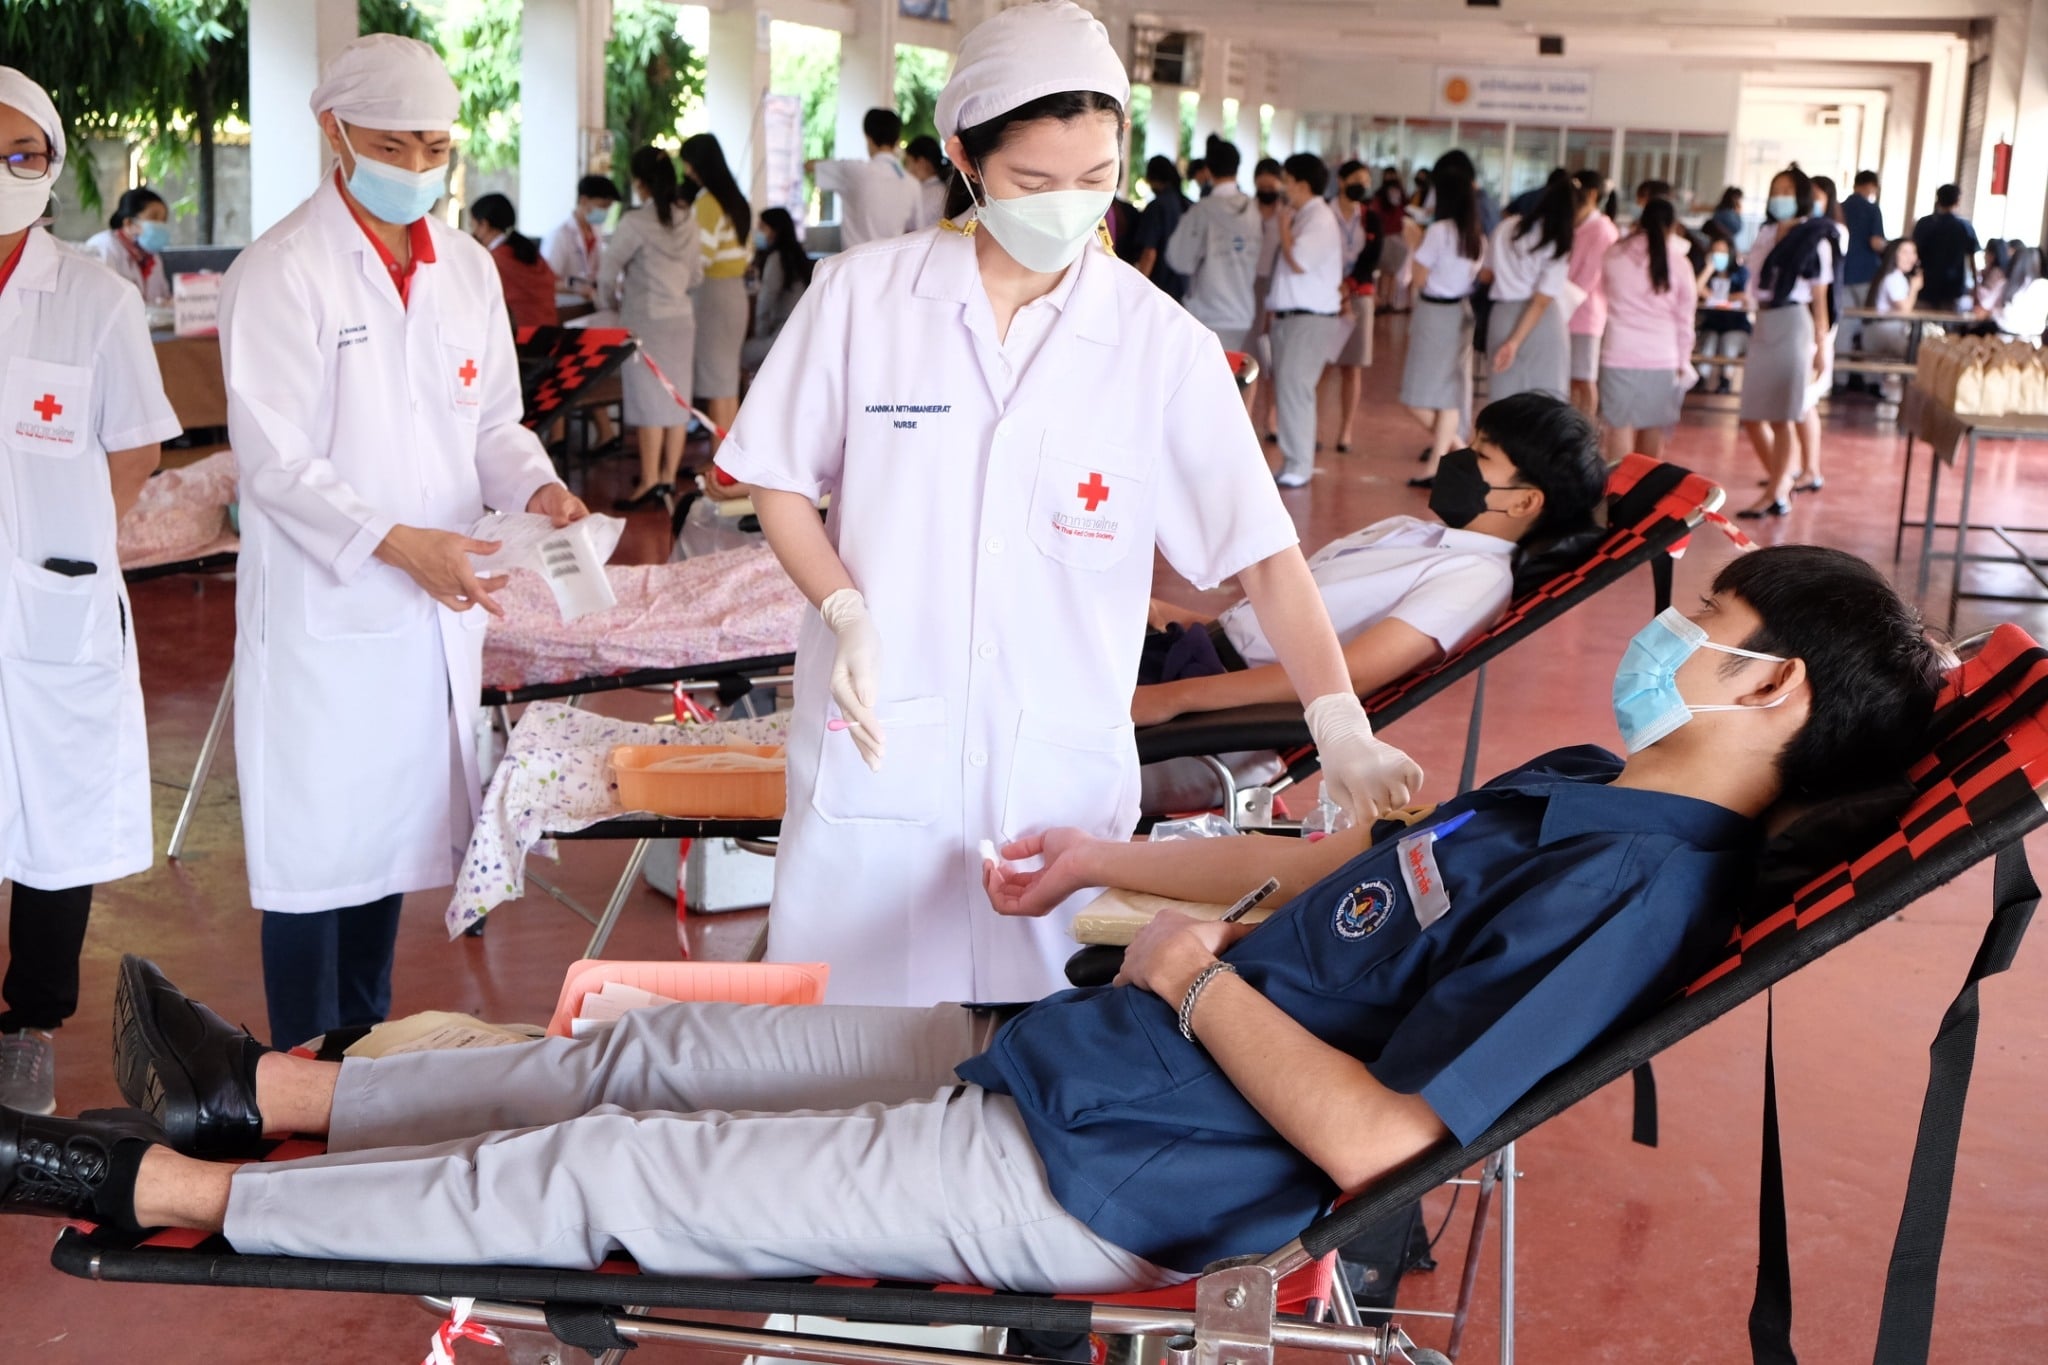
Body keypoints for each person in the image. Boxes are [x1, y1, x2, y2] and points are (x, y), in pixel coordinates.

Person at [8, 548, 1950, 1298]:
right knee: (655, 1045)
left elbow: (1373, 1143)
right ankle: (259, 1090)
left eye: (1713, 628)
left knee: (615, 1166)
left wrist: (1184, 977)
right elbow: (1328, 884)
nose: (1670, 638)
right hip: (1090, 1050)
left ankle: (187, 1193)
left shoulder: (1637, 887)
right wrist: (1115, 866)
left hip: (1118, 1157)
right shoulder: (1585, 797)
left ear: (1764, 690)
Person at [711, 1, 1419, 1006]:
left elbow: (1262, 554)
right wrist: (843, 606)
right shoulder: (862, 298)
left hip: (1053, 781)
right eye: (1032, 182)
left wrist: (1337, 719)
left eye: (1094, 180)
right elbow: (775, 478)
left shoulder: (1159, 346)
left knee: (1027, 1075)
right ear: (963, 157)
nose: (1065, 206)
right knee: (843, 1066)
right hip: (881, 752)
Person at [214, 35, 587, 1050]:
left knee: (384, 842)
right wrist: (395, 541)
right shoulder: (283, 271)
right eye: (393, 142)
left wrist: (541, 487)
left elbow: (491, 427)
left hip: (431, 607)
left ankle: (362, 1054)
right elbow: (276, 462)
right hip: (326, 611)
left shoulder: (466, 269)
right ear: (334, 131)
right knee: (312, 851)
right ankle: (301, 1066)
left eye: (434, 145)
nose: (417, 165)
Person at [0, 69, 179, 1116]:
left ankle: (28, 1024)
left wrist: (67, 545)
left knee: (56, 816)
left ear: (54, 167)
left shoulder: (98, 298)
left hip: (54, 606)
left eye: (23, 153)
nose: (5, 171)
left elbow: (136, 445)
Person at [1133, 393, 1605, 725]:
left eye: (1479, 454)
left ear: (1524, 502)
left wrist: (1172, 699)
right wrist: (1168, 616)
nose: (1456, 455)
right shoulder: (1412, 532)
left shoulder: (1476, 578)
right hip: (1196, 657)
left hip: (1215, 702)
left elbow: (1347, 677)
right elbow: (1275, 630)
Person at [603, 145, 705, 510]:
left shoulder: (634, 223)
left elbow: (607, 270)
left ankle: (647, 480)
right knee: (677, 400)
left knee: (648, 401)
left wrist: (609, 303)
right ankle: (665, 478)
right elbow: (696, 274)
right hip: (681, 319)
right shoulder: (688, 218)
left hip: (645, 321)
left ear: (639, 183)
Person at [1737, 166, 1832, 519]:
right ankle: (1782, 480)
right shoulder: (1766, 233)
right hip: (1763, 321)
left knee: (1783, 415)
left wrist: (1821, 344)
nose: (1780, 196)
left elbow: (1820, 295)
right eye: (1776, 189)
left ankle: (1777, 491)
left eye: (1788, 190)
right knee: (1752, 414)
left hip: (1794, 322)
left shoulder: (1814, 237)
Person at [1401, 169, 1486, 484]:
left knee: (1416, 398)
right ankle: (1445, 461)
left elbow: (1419, 278)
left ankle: (1457, 455)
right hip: (1461, 312)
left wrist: (1414, 242)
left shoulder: (1438, 232)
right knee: (1447, 393)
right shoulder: (1475, 234)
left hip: (1435, 313)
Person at [1266, 152, 1344, 487]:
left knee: (1296, 387)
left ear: (1301, 183)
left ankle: (1299, 464)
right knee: (1288, 387)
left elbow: (1298, 260)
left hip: (1308, 319)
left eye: (1288, 180)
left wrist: (1283, 229)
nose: (1284, 187)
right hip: (1293, 317)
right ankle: (1292, 460)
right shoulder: (1306, 215)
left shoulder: (1319, 218)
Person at [1599, 198, 1696, 462]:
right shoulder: (1679, 263)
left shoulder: (1613, 255)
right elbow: (1684, 320)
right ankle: (1646, 494)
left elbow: (1605, 294)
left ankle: (1618, 496)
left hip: (1618, 352)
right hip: (1662, 357)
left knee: (1618, 427)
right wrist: (1683, 359)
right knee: (1653, 427)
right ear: (1672, 226)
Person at [680, 132, 752, 444]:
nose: (684, 170)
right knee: (726, 382)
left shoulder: (707, 203)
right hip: (736, 294)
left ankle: (719, 463)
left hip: (713, 296)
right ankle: (727, 462)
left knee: (717, 384)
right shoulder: (737, 200)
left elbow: (701, 258)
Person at [1482, 169, 1575, 405]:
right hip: (1542, 324)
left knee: (1503, 399)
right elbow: (1541, 300)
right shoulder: (1556, 238)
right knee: (1546, 401)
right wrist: (1515, 342)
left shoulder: (1505, 227)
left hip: (1502, 315)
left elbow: (1486, 274)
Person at [1163, 137, 1260, 353]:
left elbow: (1178, 259)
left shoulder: (1202, 211)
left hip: (1209, 312)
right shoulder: (1253, 210)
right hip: (1242, 312)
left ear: (1208, 170)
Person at [810, 108, 923, 250]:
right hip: (893, 268)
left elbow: (812, 166)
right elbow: (917, 232)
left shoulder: (853, 171)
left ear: (868, 137)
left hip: (854, 266)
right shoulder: (912, 184)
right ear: (897, 139)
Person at [1330, 160, 1377, 452]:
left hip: (1358, 295)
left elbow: (1372, 257)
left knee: (1352, 366)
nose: (1363, 185)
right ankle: (1311, 428)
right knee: (1322, 366)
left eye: (1366, 180)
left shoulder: (1370, 218)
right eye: (1357, 179)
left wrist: (1347, 288)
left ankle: (1345, 430)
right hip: (1325, 295)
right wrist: (1335, 287)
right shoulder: (1324, 211)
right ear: (1342, 181)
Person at [467, 192, 559, 332]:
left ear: (484, 225)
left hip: (519, 340)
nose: (472, 232)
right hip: (549, 334)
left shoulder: (493, 260)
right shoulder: (529, 252)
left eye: (472, 225)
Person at [1565, 169, 1617, 416]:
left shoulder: (1602, 229)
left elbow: (1588, 276)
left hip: (1585, 314)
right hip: (1567, 310)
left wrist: (1557, 304)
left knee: (1584, 379)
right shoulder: (1578, 225)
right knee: (1572, 380)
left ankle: (1584, 435)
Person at [741, 206, 812, 373]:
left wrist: (760, 334)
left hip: (781, 335)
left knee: (739, 355)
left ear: (775, 230)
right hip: (803, 334)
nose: (758, 232)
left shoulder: (777, 259)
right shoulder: (798, 257)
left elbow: (765, 301)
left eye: (762, 228)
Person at [81, 187, 172, 307]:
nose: (160, 225)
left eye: (164, 220)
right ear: (129, 223)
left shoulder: (152, 257)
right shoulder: (102, 249)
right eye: (154, 218)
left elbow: (164, 298)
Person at [1249, 156, 1286, 440]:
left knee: (1273, 360)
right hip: (1248, 284)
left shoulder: (1286, 215)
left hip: (1275, 285)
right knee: (1250, 355)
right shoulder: (1247, 210)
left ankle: (1271, 421)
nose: (1266, 189)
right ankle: (1246, 417)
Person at [541, 173, 620, 301]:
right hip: (564, 307)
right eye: (602, 206)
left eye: (608, 208)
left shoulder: (596, 234)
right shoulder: (559, 236)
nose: (605, 213)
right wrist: (575, 289)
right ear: (583, 200)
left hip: (588, 306)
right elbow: (546, 282)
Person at [1862, 237, 1919, 403]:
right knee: (1920, 355)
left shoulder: (1895, 277)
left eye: (1913, 253)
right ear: (1894, 254)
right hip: (1884, 332)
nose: (1911, 257)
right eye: (1905, 252)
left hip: (1884, 331)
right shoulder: (1893, 278)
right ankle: (1912, 399)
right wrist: (1915, 288)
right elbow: (1905, 310)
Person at [1694, 233, 1752, 395]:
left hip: (1736, 327)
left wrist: (1716, 298)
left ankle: (1726, 379)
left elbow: (1745, 295)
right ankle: (1701, 378)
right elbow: (1697, 288)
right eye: (1715, 252)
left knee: (1729, 341)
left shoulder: (1741, 273)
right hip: (1712, 326)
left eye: (1723, 252)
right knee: (1709, 340)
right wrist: (1708, 268)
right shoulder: (1708, 274)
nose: (1719, 256)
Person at [1911, 184, 1981, 313]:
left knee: (1923, 326)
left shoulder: (1924, 223)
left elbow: (1913, 253)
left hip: (1926, 285)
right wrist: (1976, 288)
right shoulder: (1965, 227)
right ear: (1958, 201)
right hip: (1953, 288)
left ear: (1938, 199)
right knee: (1948, 328)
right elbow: (1972, 260)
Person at [1132, 154, 1190, 301]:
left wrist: (1137, 293)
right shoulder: (1186, 204)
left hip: (1160, 288)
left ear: (1152, 178)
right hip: (1184, 288)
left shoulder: (1157, 207)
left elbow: (1149, 253)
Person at [1839, 171, 1886, 343]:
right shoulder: (1872, 209)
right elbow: (1875, 242)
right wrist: (1889, 247)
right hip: (1866, 275)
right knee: (1868, 321)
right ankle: (1863, 367)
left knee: (1844, 323)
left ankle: (1841, 368)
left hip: (1841, 273)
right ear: (1871, 186)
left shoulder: (1840, 208)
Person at [1372, 169, 1411, 312]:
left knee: (1388, 272)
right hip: (1391, 236)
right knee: (1388, 272)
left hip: (1391, 236)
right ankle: (1385, 301)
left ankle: (1386, 301)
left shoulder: (1387, 196)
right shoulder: (1397, 196)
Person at [904, 135, 949, 231]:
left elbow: (914, 228)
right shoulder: (941, 189)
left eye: (908, 162)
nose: (906, 169)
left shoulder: (932, 193)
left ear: (921, 162)